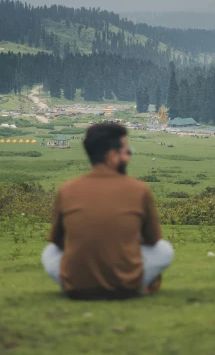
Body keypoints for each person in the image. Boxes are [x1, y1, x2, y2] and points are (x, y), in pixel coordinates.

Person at [42, 122, 173, 299]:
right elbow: (153, 240)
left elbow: (57, 241)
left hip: (76, 288)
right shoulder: (139, 189)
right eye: (127, 152)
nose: (129, 157)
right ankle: (138, 285)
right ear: (113, 156)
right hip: (126, 286)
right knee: (164, 249)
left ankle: (75, 282)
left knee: (49, 252)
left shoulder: (66, 189)